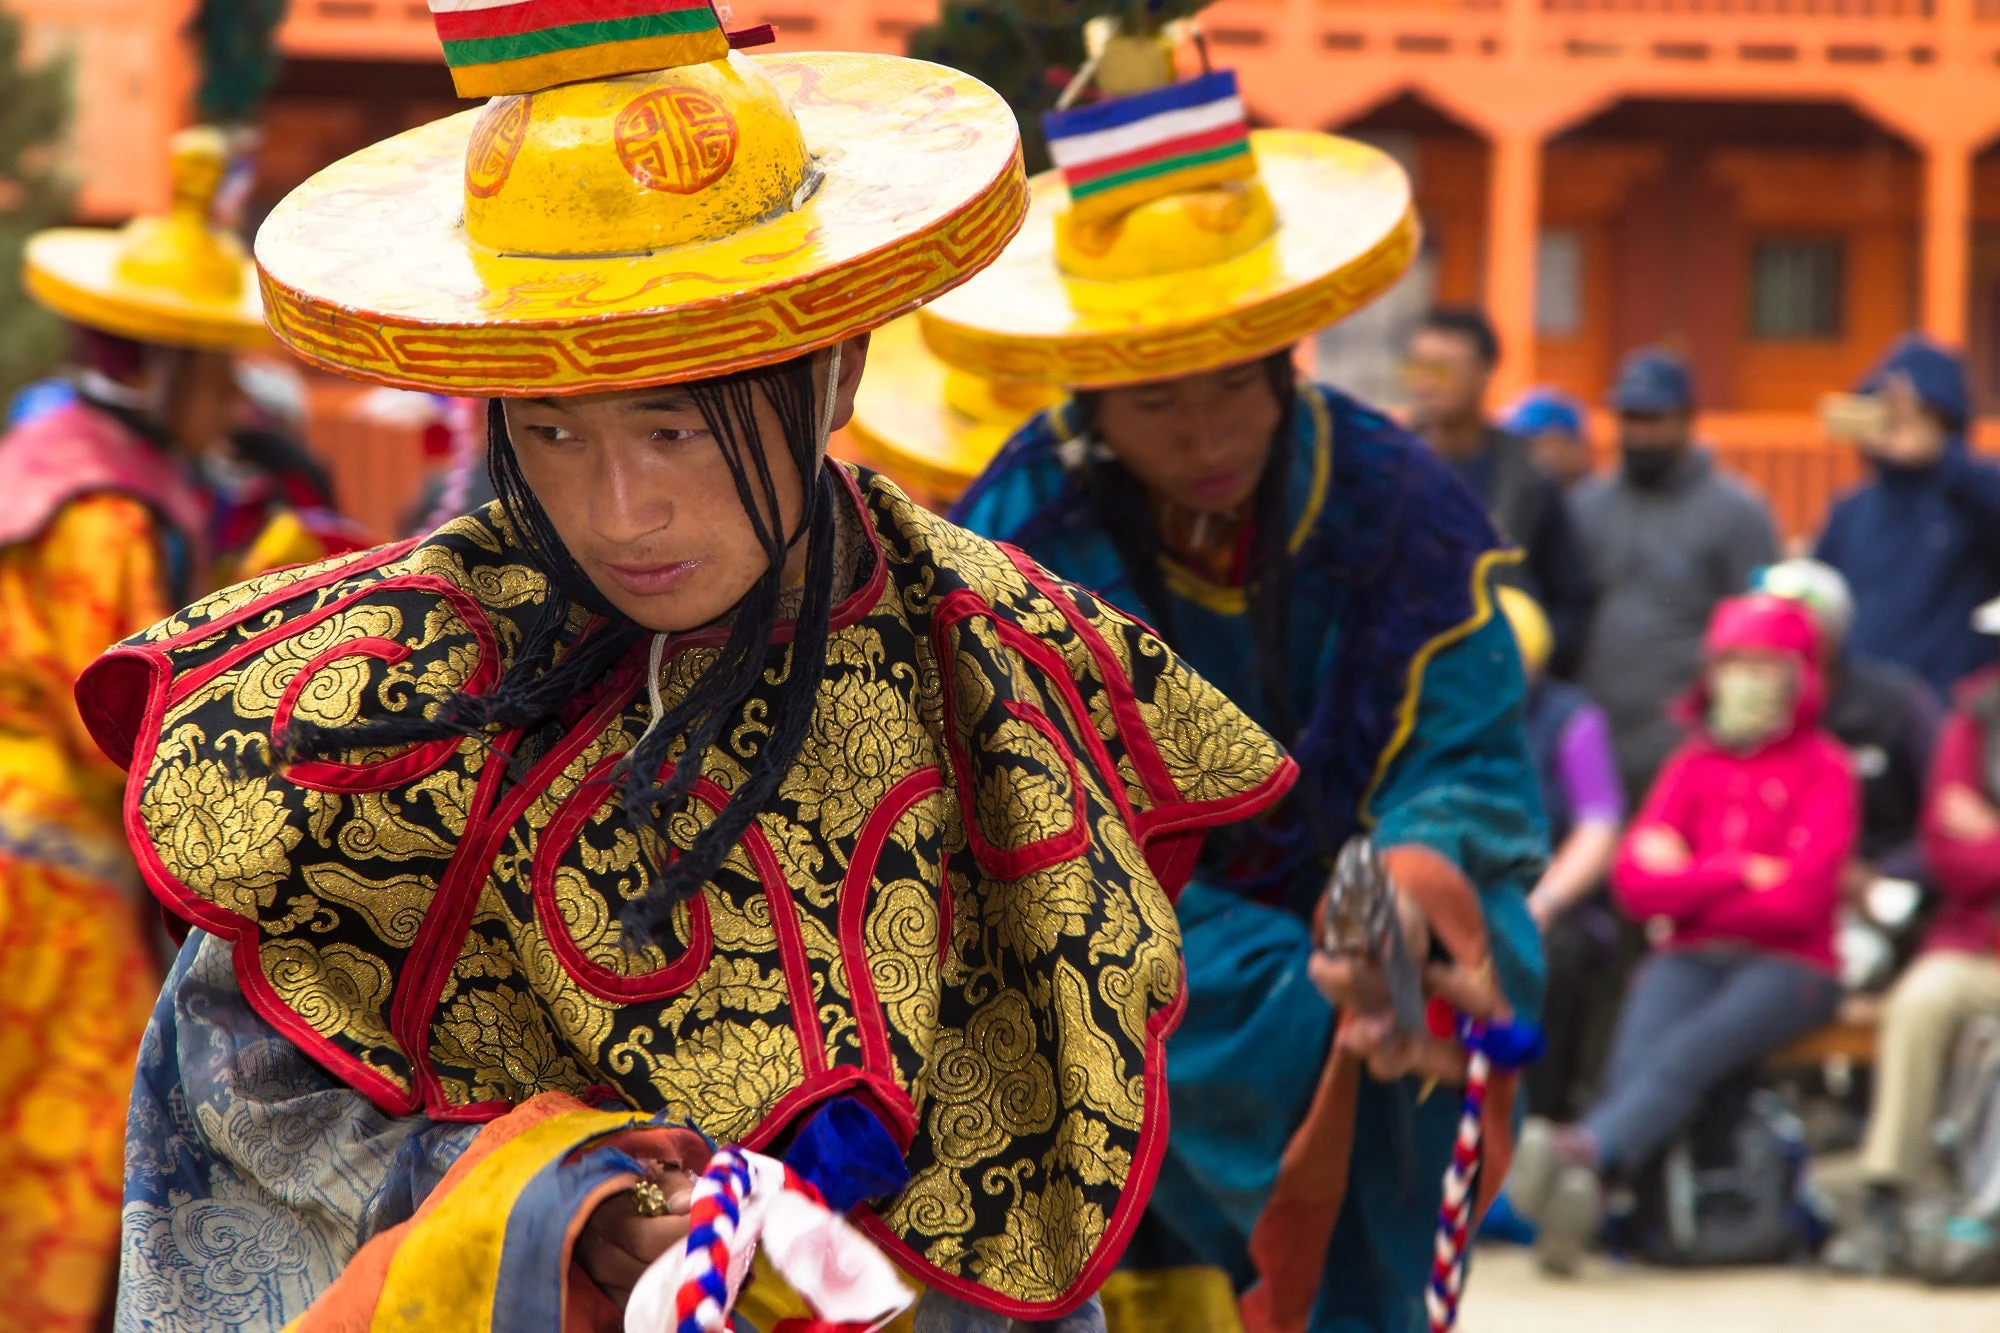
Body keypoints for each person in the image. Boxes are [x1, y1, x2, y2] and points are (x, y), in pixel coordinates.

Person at [91, 16, 1297, 1331]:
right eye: (551, 431)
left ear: (837, 370)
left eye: (673, 429)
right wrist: (563, 1208)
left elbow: (1028, 1175)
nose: (621, 515)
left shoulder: (1003, 670)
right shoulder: (391, 683)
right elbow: (236, 1088)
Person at [930, 52, 1546, 1333]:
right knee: (1173, 991)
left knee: (1456, 953)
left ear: (1281, 364)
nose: (1207, 437)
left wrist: (1422, 868)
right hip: (1134, 918)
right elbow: (998, 800)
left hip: (1369, 887)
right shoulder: (1018, 525)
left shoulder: (1401, 504)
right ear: (1092, 389)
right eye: (1158, 401)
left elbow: (1473, 748)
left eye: (1233, 387)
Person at [0, 126, 357, 1333]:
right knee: (59, 1161)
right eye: (212, 370)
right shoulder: (101, 509)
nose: (227, 401)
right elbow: (125, 725)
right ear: (166, 374)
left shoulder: (53, 467)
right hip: (43, 892)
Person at [1512, 594, 1853, 1275]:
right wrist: (1740, 872)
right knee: (1636, 1050)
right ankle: (1597, 1186)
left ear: (1798, 674)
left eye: (1763, 662)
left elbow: (1799, 904)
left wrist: (1692, 877)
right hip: (1692, 953)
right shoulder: (1692, 764)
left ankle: (1587, 1159)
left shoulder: (1827, 768)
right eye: (1732, 661)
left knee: (1691, 1051)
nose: (1744, 676)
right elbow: (1637, 887)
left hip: (1794, 968)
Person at [1824, 594, 2000, 1275]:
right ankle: (1887, 1192)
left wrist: (1990, 832)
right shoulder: (1976, 716)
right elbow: (1945, 850)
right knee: (1920, 1001)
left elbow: (1974, 846)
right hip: (1977, 943)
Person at [1575, 348, 1781, 805]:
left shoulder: (1737, 512)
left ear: (1687, 419)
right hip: (1596, 730)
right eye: (1629, 419)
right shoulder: (1586, 506)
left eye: (1653, 419)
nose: (1639, 433)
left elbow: (1759, 626)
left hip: (1689, 739)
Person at [1754, 559, 1940, 946]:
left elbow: (1950, 818)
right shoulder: (1746, 715)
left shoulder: (1896, 703)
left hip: (1880, 894)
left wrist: (1885, 872)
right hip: (1771, 893)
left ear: (1831, 632)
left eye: (1793, 623)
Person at [1405, 308, 1594, 677]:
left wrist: (1535, 662)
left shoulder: (1528, 479)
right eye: (1418, 367)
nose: (1427, 381)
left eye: (1443, 368)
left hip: (1496, 683)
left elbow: (1572, 598)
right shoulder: (1383, 470)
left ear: (1484, 372)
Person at [1496, 586, 1624, 1123]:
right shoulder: (1441, 714)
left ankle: (1541, 1118)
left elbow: (1599, 824)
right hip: (1461, 895)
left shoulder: (1571, 719)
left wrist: (1544, 901)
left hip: (1552, 905)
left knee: (1550, 961)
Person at [1816, 336, 2000, 704]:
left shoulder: (1970, 496)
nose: (1899, 428)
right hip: (1863, 713)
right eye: (1888, 413)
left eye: (1917, 415)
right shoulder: (1852, 510)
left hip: (1944, 708)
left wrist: (1941, 458)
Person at [1503, 387, 1593, 490]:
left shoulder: (1600, 501)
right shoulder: (1520, 495)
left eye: (1533, 443)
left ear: (1574, 449)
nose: (1521, 453)